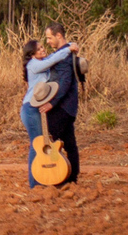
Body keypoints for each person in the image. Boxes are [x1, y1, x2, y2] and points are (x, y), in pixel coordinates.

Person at [20, 36, 76, 187]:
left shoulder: (40, 63)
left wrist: (68, 45)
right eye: (38, 49)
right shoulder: (33, 64)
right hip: (30, 109)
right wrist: (69, 49)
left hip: (36, 109)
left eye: (42, 47)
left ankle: (47, 177)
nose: (42, 49)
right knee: (37, 143)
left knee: (43, 142)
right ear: (32, 54)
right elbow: (52, 60)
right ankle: (35, 183)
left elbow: (51, 57)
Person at [38, 22, 80, 185]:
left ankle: (56, 175)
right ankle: (71, 178)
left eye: (49, 38)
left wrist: (52, 103)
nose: (48, 41)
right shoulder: (66, 52)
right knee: (69, 143)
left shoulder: (64, 55)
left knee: (52, 142)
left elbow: (65, 82)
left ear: (59, 36)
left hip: (61, 107)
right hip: (69, 106)